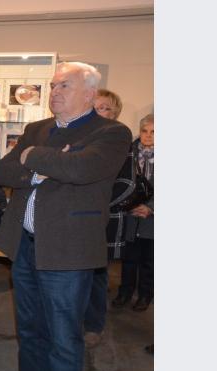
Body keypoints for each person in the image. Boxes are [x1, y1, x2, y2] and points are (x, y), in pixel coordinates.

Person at [0, 62, 132, 371]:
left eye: (64, 86)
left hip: (69, 251)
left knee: (63, 337)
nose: (54, 92)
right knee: (30, 330)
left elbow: (81, 169)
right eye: (53, 85)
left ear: (89, 93)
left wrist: (33, 158)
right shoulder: (37, 128)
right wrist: (51, 164)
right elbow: (6, 172)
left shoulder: (111, 132)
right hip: (25, 244)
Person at [84, 88, 128, 347]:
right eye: (95, 107)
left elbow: (125, 183)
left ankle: (94, 325)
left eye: (105, 108)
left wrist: (97, 202)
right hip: (76, 219)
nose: (99, 112)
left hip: (105, 218)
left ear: (115, 114)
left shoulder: (120, 139)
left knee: (97, 275)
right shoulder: (83, 137)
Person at [113, 114, 154, 312]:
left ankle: (145, 295)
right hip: (129, 215)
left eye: (154, 132)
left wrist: (151, 207)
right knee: (128, 258)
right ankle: (125, 293)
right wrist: (129, 204)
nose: (148, 135)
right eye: (145, 131)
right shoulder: (127, 151)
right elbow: (120, 181)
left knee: (148, 260)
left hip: (151, 219)